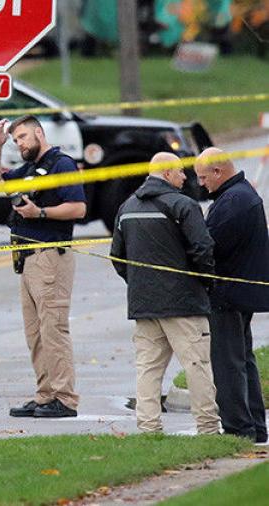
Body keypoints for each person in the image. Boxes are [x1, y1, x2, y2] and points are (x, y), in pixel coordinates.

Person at [110, 152, 220, 434]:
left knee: (148, 368)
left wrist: (139, 282)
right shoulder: (183, 205)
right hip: (184, 304)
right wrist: (205, 282)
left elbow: (117, 257)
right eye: (181, 172)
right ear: (168, 173)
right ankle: (207, 427)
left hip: (144, 304)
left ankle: (148, 428)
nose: (185, 178)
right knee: (197, 365)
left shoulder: (127, 207)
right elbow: (203, 248)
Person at [0, 115, 87, 418]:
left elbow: (79, 208)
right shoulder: (28, 169)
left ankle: (65, 399)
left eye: (22, 137)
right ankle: (46, 395)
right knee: (35, 333)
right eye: (15, 139)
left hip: (50, 256)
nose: (19, 144)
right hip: (27, 258)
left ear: (39, 133)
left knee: (53, 329)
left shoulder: (62, 165)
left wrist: (39, 212)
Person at [194, 147, 269, 443]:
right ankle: (255, 426)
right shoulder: (238, 195)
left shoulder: (233, 201)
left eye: (203, 177)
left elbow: (208, 246)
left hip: (228, 294)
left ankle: (239, 428)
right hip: (241, 292)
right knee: (242, 359)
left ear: (218, 172)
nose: (201, 184)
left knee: (228, 363)